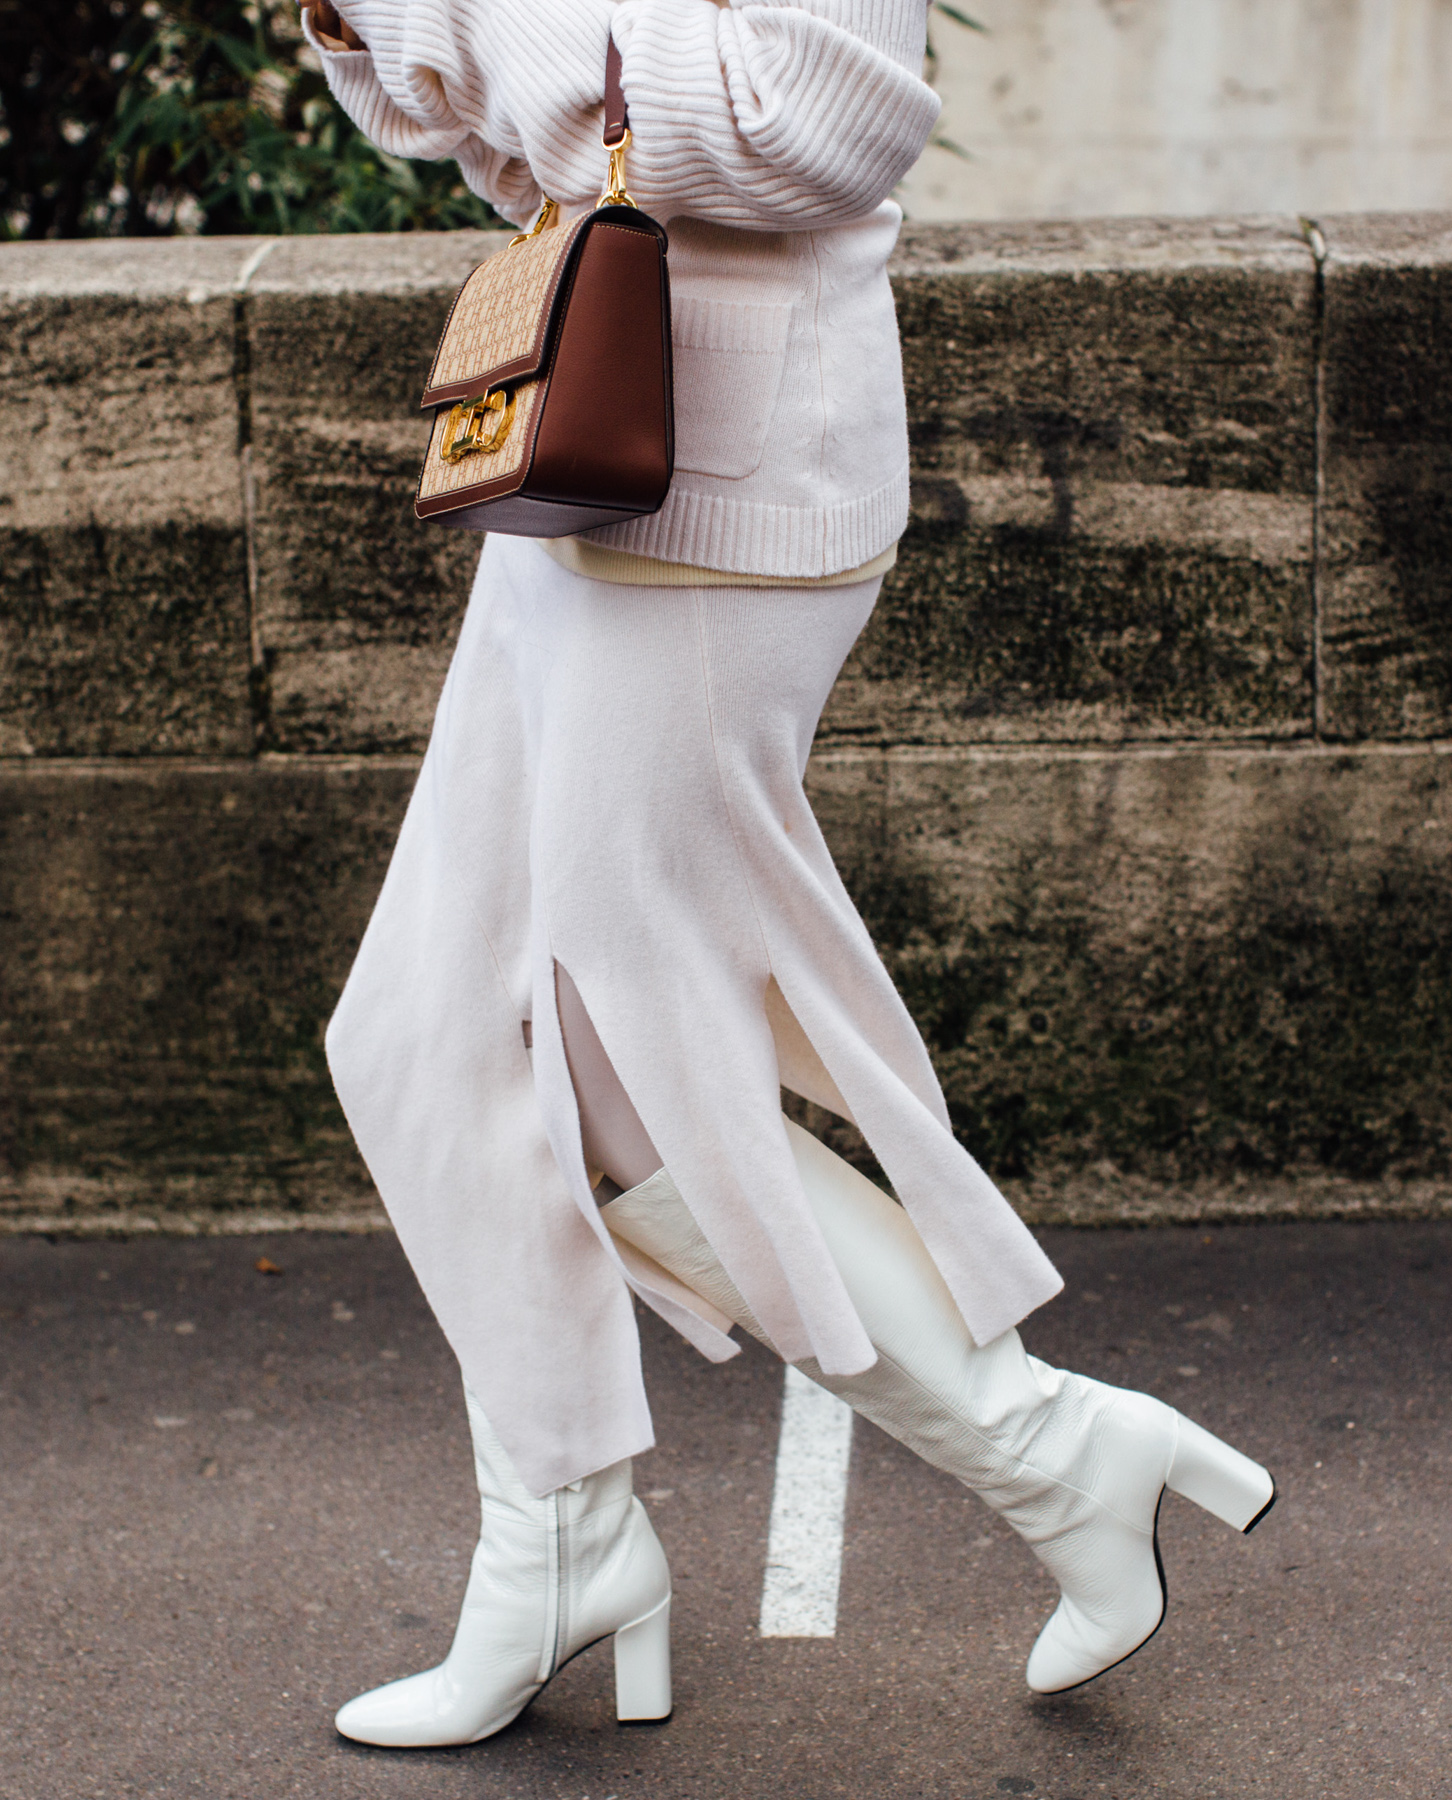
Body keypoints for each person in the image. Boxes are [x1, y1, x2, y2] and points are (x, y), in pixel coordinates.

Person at [303, 0, 1274, 1748]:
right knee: (418, 1037)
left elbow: (822, 124)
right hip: (572, 463)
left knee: (612, 1071)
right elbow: (486, 140)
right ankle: (567, 1539)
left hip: (726, 495)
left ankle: (1051, 1457)